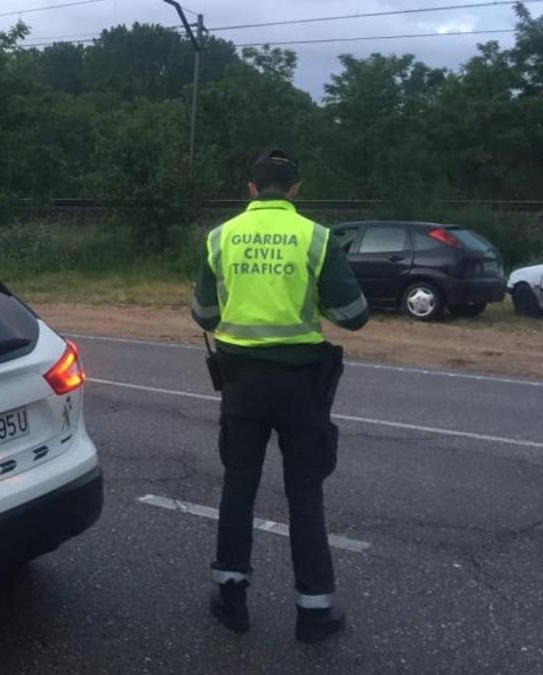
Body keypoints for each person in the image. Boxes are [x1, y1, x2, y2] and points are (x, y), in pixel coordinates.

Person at [190, 149, 369, 644]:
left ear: (251, 188)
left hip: (241, 382)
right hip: (301, 384)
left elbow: (203, 313)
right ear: (295, 190)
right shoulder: (315, 236)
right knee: (305, 494)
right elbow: (353, 313)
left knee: (238, 485)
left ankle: (231, 596)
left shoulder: (220, 236)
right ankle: (315, 610)